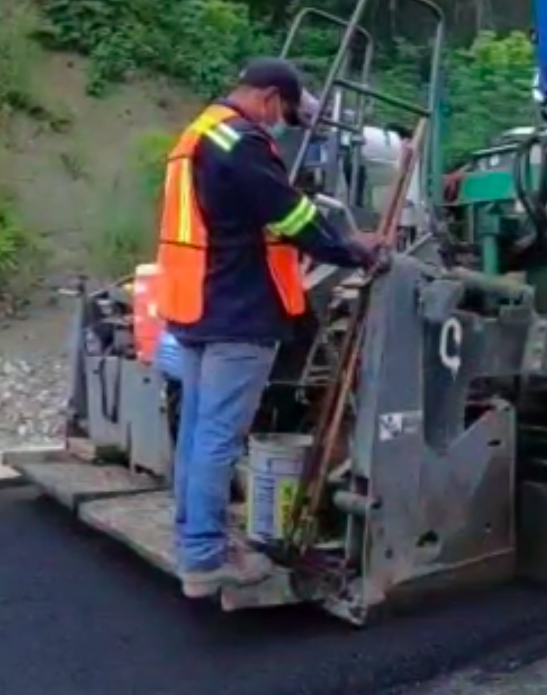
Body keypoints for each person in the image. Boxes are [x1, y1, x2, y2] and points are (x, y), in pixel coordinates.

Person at [155, 57, 384, 598]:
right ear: (268, 98)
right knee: (218, 437)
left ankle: (193, 539)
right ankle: (205, 559)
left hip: (194, 307)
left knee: (195, 432)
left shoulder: (196, 134)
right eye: (282, 111)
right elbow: (291, 216)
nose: (280, 123)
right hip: (239, 311)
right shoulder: (243, 143)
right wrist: (353, 250)